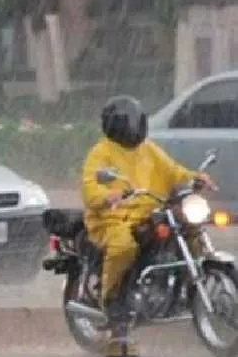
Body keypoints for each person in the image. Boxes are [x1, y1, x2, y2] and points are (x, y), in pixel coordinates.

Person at [81, 96, 215, 319]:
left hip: (150, 213)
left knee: (190, 230)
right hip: (113, 218)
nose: (132, 128)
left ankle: (185, 287)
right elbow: (89, 187)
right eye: (128, 123)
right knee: (123, 247)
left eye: (136, 122)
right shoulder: (101, 152)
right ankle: (111, 298)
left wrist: (195, 177)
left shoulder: (148, 149)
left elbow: (173, 171)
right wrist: (108, 196)